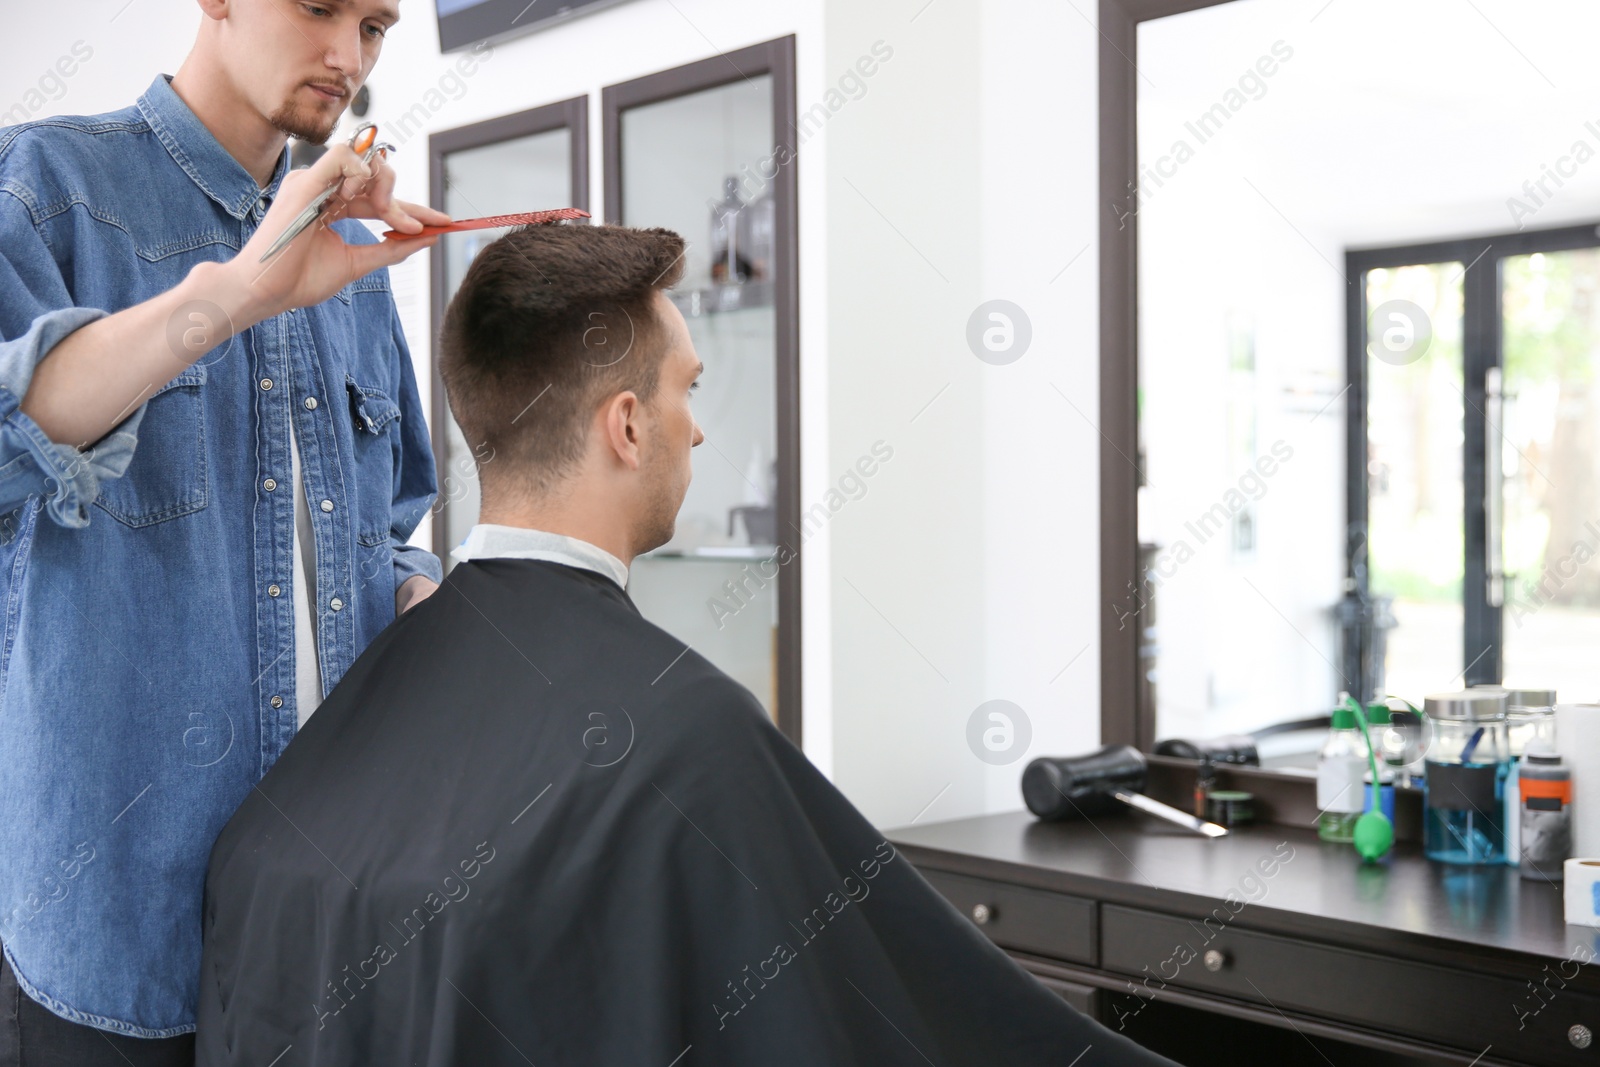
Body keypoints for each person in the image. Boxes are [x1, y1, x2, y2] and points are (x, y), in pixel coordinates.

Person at [194, 222, 1179, 1066]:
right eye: (687, 389)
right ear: (626, 425)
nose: (697, 432)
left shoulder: (373, 689)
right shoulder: (687, 730)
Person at [0, 0, 448, 1060]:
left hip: (322, 913)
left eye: (376, 27)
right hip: (118, 927)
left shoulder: (347, 262)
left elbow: (389, 520)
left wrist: (434, 602)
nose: (347, 56)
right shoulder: (45, 186)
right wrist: (240, 292)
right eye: (320, 9)